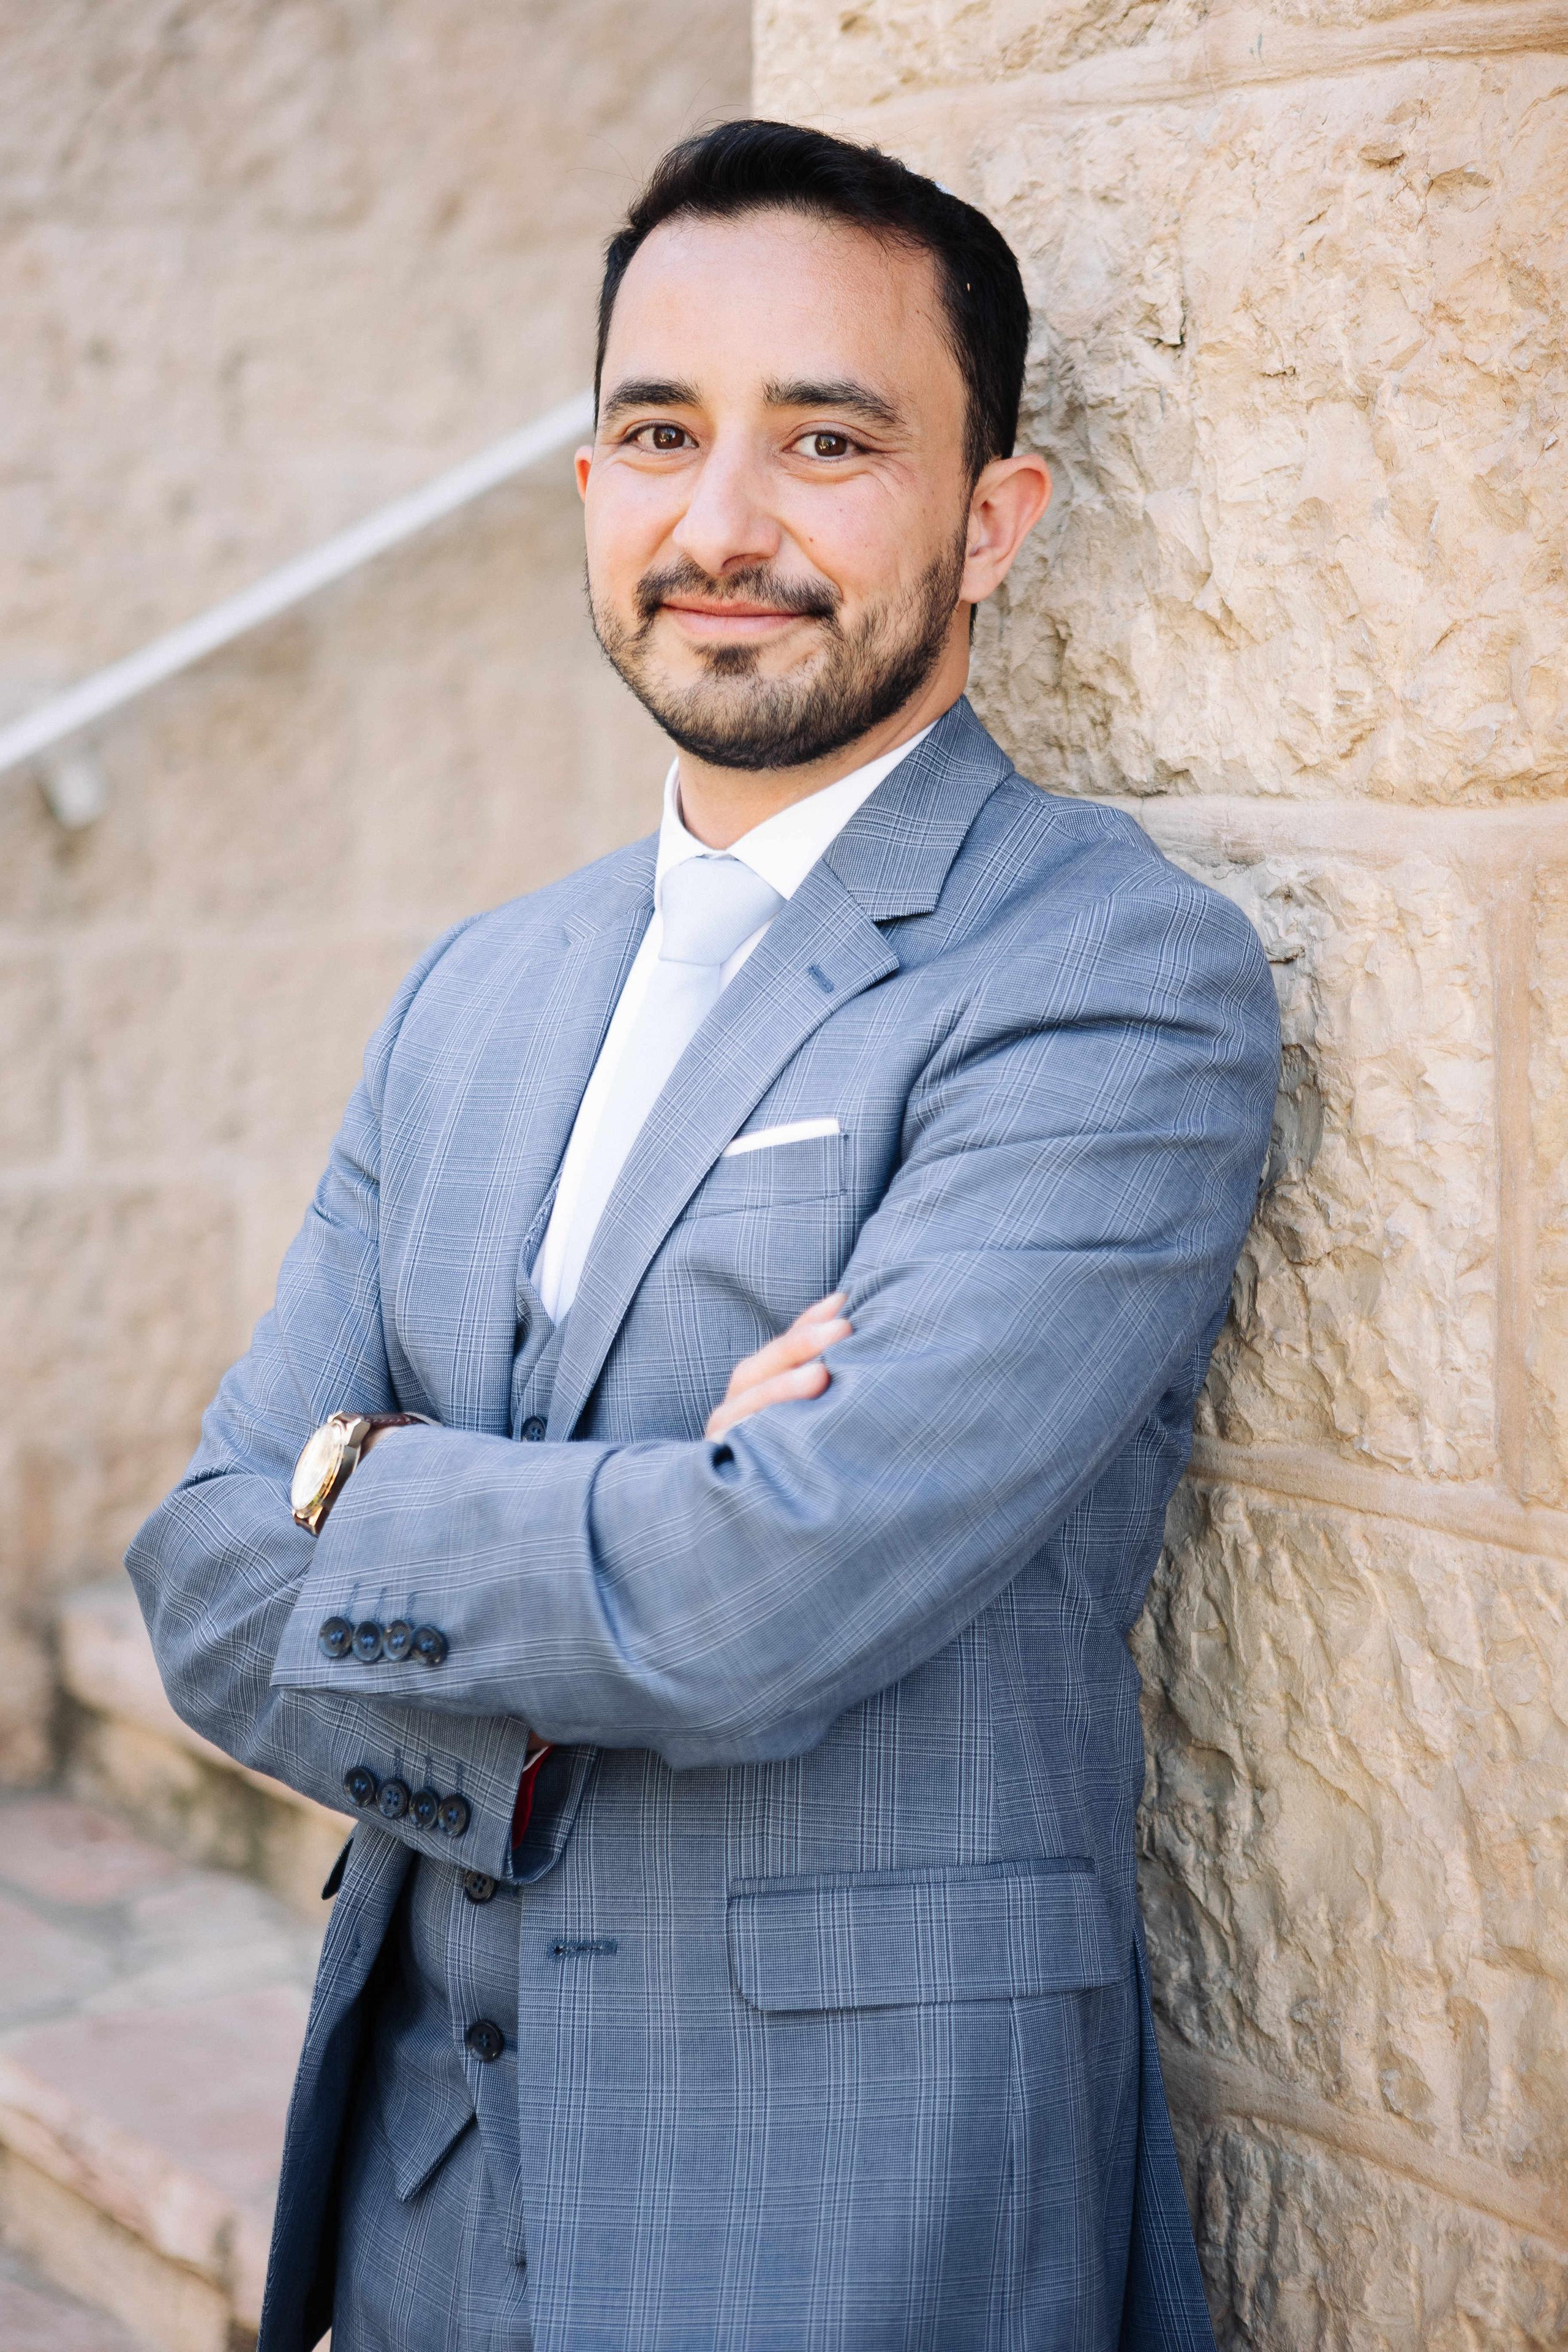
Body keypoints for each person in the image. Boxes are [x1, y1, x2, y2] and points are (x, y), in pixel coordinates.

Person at [127, 118, 1279, 2352]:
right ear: (587, 489)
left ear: (992, 521)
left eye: (828, 440)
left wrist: (367, 1490)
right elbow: (199, 1571)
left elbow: (770, 1592)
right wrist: (608, 1574)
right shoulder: (475, 988)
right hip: (417, 2210)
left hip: (852, 2213)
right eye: (661, 432)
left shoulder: (1107, 976)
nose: (723, 522)